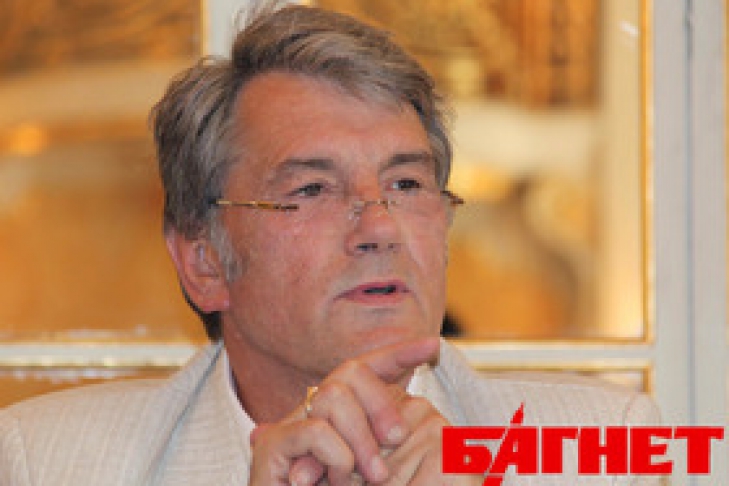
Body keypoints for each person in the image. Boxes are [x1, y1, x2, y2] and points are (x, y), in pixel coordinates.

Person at [0, 2, 660, 485]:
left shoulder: (607, 449)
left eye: (405, 183)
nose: (379, 228)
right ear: (205, 261)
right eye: (313, 190)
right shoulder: (48, 461)